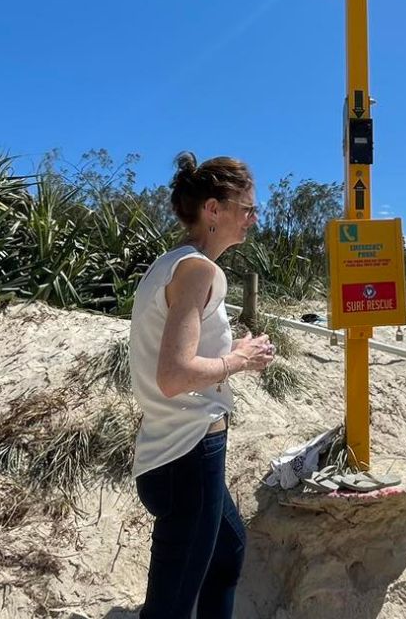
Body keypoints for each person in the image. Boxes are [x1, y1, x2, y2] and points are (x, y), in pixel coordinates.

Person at [128, 152, 276, 619]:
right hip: (186, 454)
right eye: (247, 208)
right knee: (170, 606)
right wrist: (240, 360)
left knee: (227, 556)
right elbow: (175, 376)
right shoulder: (198, 270)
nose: (253, 218)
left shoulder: (174, 264)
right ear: (213, 209)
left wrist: (231, 356)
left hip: (172, 452)